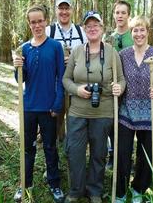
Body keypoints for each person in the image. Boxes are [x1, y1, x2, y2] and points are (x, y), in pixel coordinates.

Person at [62, 11, 126, 203]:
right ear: (84, 29)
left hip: (103, 111)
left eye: (95, 25)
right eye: (88, 26)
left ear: (102, 28)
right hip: (77, 112)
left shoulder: (112, 53)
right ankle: (75, 190)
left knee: (99, 153)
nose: (92, 28)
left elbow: (121, 80)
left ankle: (95, 191)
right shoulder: (77, 52)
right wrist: (77, 89)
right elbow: (66, 79)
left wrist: (119, 88)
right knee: (75, 153)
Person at [13, 4, 65, 203]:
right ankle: (25, 184)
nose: (37, 25)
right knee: (28, 148)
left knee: (50, 147)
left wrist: (58, 103)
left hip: (48, 107)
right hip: (29, 107)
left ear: (46, 21)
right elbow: (21, 79)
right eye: (33, 22)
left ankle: (54, 183)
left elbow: (61, 77)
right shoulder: (24, 48)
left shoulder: (54, 46)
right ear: (29, 24)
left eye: (40, 21)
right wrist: (17, 66)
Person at [116, 17, 153, 203]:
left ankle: (138, 189)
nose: (139, 34)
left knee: (145, 156)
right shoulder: (123, 55)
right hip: (126, 112)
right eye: (135, 31)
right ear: (131, 33)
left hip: (149, 112)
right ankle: (120, 192)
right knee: (122, 154)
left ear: (148, 32)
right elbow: (119, 80)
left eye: (142, 30)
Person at [46, 0, 87, 140]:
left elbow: (90, 55)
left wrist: (75, 61)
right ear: (55, 10)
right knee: (55, 119)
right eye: (60, 8)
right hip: (54, 84)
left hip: (76, 85)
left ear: (72, 10)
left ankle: (72, 148)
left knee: (75, 121)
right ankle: (56, 147)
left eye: (67, 8)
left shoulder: (81, 32)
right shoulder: (48, 32)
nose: (64, 12)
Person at [106, 0, 134, 169]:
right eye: (117, 12)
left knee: (127, 124)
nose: (120, 16)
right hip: (112, 86)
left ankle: (126, 158)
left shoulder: (134, 35)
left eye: (123, 12)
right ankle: (112, 154)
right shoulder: (108, 38)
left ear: (128, 15)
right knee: (112, 121)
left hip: (130, 87)